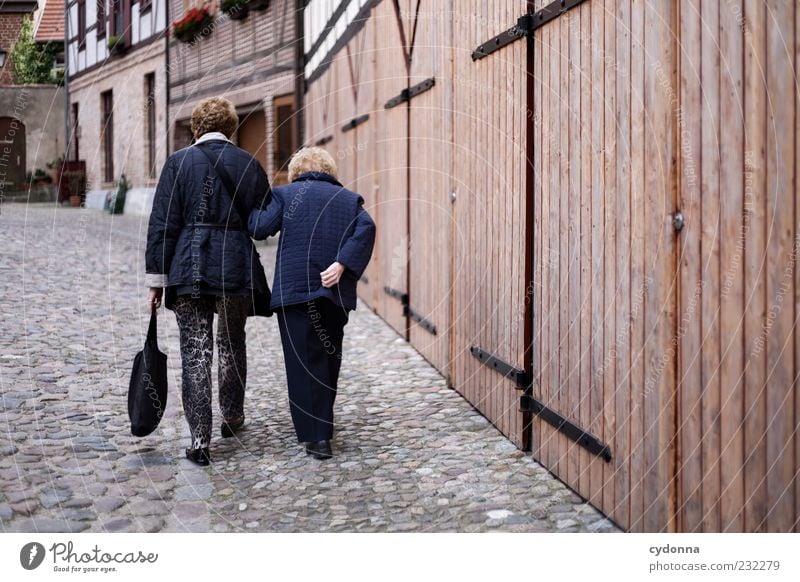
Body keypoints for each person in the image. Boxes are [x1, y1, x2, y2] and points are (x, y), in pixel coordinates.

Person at [145, 97, 271, 466]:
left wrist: (156, 280)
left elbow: (162, 227)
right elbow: (262, 220)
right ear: (231, 127)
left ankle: (200, 440)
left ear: (196, 128)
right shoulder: (248, 163)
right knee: (232, 344)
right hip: (234, 269)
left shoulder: (178, 163)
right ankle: (232, 416)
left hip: (189, 271)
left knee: (196, 353)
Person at [249, 147, 375, 459]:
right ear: (330, 171)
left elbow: (259, 228)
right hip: (332, 292)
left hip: (294, 290)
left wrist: (250, 204)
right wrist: (342, 264)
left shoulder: (285, 195)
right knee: (328, 358)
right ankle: (323, 430)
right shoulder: (348, 199)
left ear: (295, 173)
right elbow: (367, 228)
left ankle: (314, 435)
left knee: (301, 362)